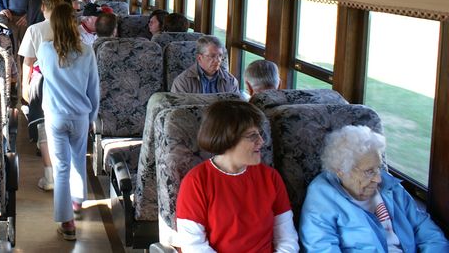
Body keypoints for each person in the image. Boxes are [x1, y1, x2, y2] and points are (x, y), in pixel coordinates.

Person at [300, 125, 448, 252]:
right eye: (369, 171)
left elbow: (426, 230)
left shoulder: (391, 187)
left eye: (378, 168)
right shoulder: (322, 197)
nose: (378, 179)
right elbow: (321, 247)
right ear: (341, 171)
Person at [176, 100, 299, 253]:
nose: (261, 142)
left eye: (260, 134)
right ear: (227, 138)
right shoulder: (196, 182)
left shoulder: (270, 177)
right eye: (252, 136)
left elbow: (287, 239)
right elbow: (193, 246)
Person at [38, 3, 100, 241]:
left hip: (56, 115)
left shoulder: (45, 50)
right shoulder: (87, 51)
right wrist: (92, 117)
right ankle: (77, 201)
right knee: (78, 159)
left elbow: (44, 74)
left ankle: (67, 223)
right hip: (80, 114)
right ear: (74, 24)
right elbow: (93, 88)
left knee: (61, 167)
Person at [18, 0, 67, 191]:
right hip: (66, 80)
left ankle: (49, 176)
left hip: (41, 80)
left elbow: (28, 62)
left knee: (43, 126)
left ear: (43, 7)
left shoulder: (35, 29)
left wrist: (25, 86)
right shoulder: (70, 29)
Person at [170, 35, 239, 94]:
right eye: (212, 56)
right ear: (199, 58)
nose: (218, 60)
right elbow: (177, 106)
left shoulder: (231, 81)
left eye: (220, 55)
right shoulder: (182, 82)